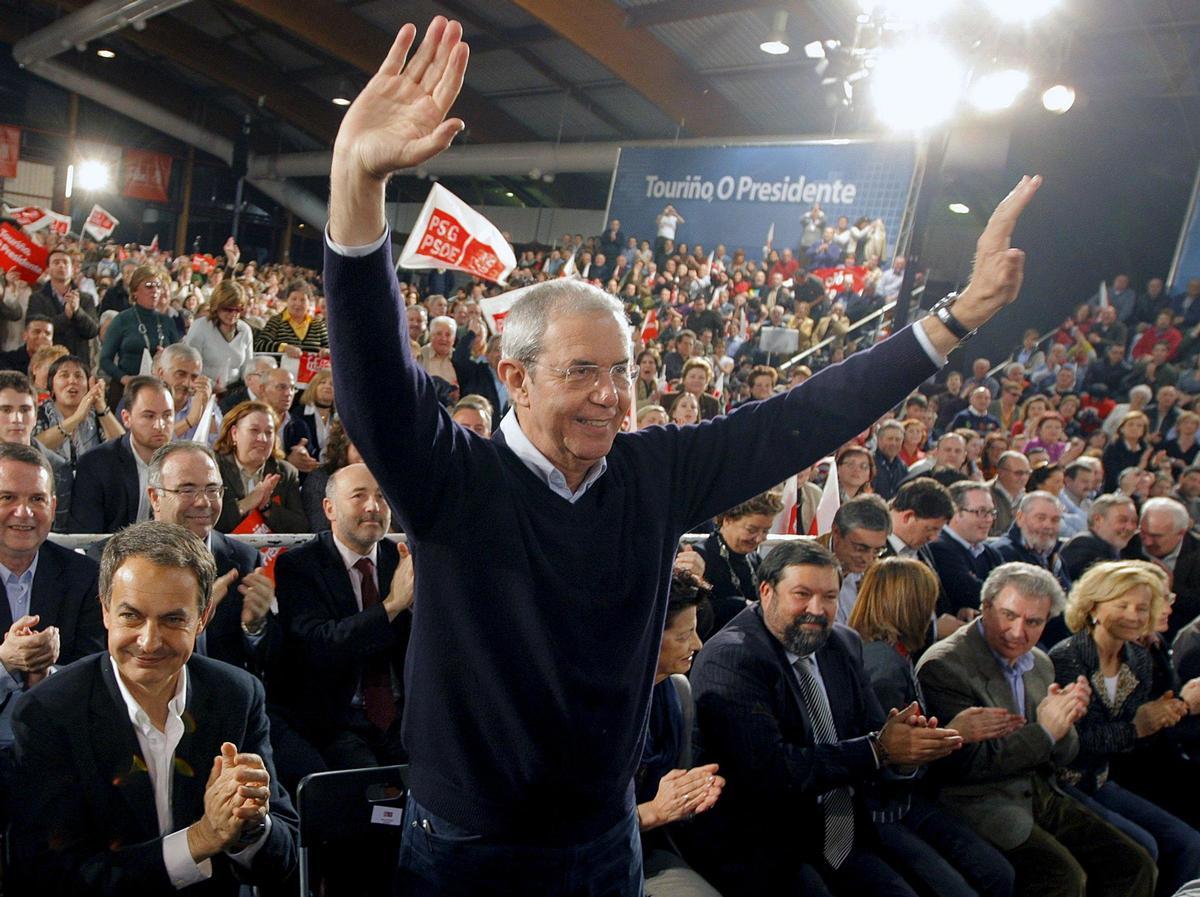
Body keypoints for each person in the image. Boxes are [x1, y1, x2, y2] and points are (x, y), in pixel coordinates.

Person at [324, 16, 1039, 893]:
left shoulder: (651, 470)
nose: (608, 394)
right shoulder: (453, 476)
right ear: (512, 373)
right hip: (471, 842)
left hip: (606, 834)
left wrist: (954, 317)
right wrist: (355, 189)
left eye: (619, 371)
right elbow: (372, 383)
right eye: (581, 371)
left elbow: (803, 417)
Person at [8, 521, 298, 893]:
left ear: (203, 618)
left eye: (173, 619)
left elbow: (280, 862)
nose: (149, 641)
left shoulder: (237, 695)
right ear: (106, 612)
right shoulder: (47, 713)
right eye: (132, 616)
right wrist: (200, 840)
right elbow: (51, 877)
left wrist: (249, 826)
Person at [688, 541, 964, 896]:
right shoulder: (732, 658)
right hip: (763, 841)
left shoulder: (842, 643)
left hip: (846, 829)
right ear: (766, 591)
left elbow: (876, 738)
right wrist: (879, 749)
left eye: (830, 597)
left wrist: (907, 748)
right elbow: (771, 772)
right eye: (802, 594)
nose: (816, 610)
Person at [915, 563, 1156, 897]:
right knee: (1064, 877)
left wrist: (1065, 722)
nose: (1018, 632)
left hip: (1038, 791)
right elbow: (965, 766)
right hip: (978, 800)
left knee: (1134, 862)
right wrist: (1044, 732)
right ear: (985, 607)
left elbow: (1063, 755)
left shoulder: (1039, 662)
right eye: (1008, 616)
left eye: (1033, 622)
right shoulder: (946, 666)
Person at [849, 557, 1019, 897]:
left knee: (997, 871)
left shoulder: (893, 654)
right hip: (882, 812)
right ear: (912, 606)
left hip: (905, 802)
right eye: (929, 603)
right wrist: (957, 731)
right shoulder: (883, 666)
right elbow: (887, 764)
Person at [1049, 560, 1200, 894]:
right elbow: (1074, 744)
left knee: (1190, 842)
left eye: (1143, 608)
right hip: (1063, 784)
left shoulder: (1139, 658)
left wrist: (1168, 713)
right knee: (1143, 848)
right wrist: (1138, 726)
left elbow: (1131, 740)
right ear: (1093, 608)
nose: (1135, 615)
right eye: (1123, 606)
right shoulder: (1067, 658)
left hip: (1103, 778)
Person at [270, 463, 413, 790]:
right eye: (359, 496)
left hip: (404, 716)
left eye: (380, 496)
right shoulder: (300, 565)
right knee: (365, 794)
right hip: (337, 719)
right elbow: (321, 644)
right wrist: (392, 605)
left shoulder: (402, 559)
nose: (373, 507)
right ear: (329, 508)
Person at [0, 442, 103, 806]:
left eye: (38, 499)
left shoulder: (85, 575)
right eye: (8, 497)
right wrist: (5, 663)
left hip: (59, 745)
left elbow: (98, 670)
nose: (23, 512)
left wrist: (46, 675)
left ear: (54, 507)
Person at [147, 442, 276, 676]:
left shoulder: (245, 560)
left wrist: (254, 627)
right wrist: (194, 616)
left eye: (212, 490)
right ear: (155, 497)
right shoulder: (124, 561)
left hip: (223, 702)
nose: (203, 502)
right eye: (187, 490)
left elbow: (267, 664)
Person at [636, 570, 724, 897]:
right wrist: (655, 811)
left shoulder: (677, 692)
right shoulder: (590, 709)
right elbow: (567, 832)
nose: (698, 645)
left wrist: (691, 796)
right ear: (646, 634)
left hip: (650, 848)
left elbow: (674, 810)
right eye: (685, 634)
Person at [68, 376, 174, 534]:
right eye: (149, 416)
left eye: (167, 415)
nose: (160, 425)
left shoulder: (183, 465)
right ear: (126, 418)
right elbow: (86, 536)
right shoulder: (96, 464)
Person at [212, 400, 307, 535]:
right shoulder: (213, 468)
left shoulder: (286, 472)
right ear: (234, 434)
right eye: (254, 430)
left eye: (269, 432)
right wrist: (245, 504)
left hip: (272, 553)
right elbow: (206, 520)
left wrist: (267, 507)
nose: (262, 439)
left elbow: (300, 527)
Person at [696, 491, 782, 633]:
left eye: (765, 531)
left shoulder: (755, 560)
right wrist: (740, 605)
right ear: (727, 520)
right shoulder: (700, 557)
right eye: (751, 530)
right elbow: (697, 612)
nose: (759, 539)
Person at [97, 267, 180, 408]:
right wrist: (124, 378)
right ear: (135, 292)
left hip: (159, 390)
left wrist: (165, 356)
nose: (154, 290)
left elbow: (177, 358)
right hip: (126, 390)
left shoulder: (167, 322)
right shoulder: (122, 319)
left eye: (158, 286)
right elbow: (105, 360)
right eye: (148, 286)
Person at [1123, 496, 1200, 640]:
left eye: (1156, 536)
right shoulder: (1127, 545)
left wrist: (1171, 587)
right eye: (1143, 532)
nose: (1147, 541)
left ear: (1181, 533)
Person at [927, 481, 1004, 621]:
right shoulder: (938, 548)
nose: (989, 519)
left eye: (991, 512)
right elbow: (971, 594)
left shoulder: (990, 553)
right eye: (980, 512)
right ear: (956, 512)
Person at [33, 354, 124, 466]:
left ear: (88, 385)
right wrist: (77, 418)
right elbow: (33, 448)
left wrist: (101, 406)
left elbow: (123, 448)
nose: (72, 381)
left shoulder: (96, 415)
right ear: (51, 386)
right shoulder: (40, 413)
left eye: (78, 376)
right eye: (64, 375)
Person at [26, 246, 100, 371]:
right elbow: (35, 330)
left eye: (65, 262)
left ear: (72, 269)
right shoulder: (37, 298)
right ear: (48, 269)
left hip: (78, 362)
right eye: (56, 262)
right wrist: (66, 317)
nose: (61, 266)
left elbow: (92, 331)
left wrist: (77, 311)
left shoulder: (86, 298)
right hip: (48, 364)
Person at [821, 494, 891, 624]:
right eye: (860, 548)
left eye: (877, 550)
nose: (868, 559)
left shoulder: (877, 573)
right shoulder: (804, 565)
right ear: (836, 532)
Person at [181, 280, 255, 392]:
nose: (233, 314)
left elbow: (248, 369)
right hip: (201, 390)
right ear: (216, 306)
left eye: (238, 309)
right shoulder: (200, 326)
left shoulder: (245, 330)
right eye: (228, 309)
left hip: (234, 393)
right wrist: (212, 386)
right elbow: (190, 366)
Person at [155, 343, 222, 446]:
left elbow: (218, 445)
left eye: (194, 377)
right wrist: (190, 420)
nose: (187, 383)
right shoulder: (147, 401)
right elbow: (155, 444)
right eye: (180, 374)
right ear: (161, 373)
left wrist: (206, 409)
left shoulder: (202, 400)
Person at [1060, 494, 1139, 581]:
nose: (1130, 527)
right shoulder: (1084, 546)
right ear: (1097, 520)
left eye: (1134, 522)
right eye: (1122, 520)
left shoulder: (1115, 549)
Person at [254, 279, 329, 356]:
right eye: (294, 299)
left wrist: (327, 351)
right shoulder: (276, 321)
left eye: (303, 300)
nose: (298, 303)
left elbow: (330, 347)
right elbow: (259, 345)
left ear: (309, 302)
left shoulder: (318, 325)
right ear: (287, 300)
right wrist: (284, 348)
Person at [872, 419, 908, 500]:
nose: (893, 443)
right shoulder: (869, 463)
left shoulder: (902, 467)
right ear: (879, 440)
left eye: (897, 439)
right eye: (890, 439)